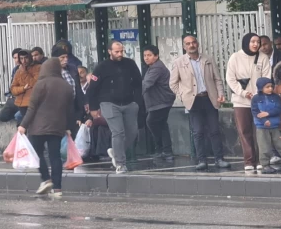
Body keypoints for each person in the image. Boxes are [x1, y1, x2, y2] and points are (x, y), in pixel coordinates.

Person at [17, 52, 77, 199]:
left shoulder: (41, 84)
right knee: (55, 156)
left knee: (37, 153)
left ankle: (46, 179)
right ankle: (57, 189)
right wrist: (69, 127)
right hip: (58, 127)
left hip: (38, 127)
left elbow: (32, 107)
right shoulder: (66, 86)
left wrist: (23, 125)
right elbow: (70, 110)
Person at [170, 34, 229, 171]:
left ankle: (219, 159)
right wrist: (182, 96)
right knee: (198, 131)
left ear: (197, 44)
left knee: (214, 130)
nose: (191, 45)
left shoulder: (208, 59)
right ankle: (201, 160)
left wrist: (220, 94)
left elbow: (217, 79)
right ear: (184, 46)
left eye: (193, 42)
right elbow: (173, 84)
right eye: (188, 43)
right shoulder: (179, 62)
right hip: (193, 100)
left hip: (209, 97)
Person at [86, 41, 143, 173]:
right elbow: (92, 89)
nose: (119, 54)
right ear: (109, 51)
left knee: (132, 132)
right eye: (116, 51)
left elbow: (138, 84)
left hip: (129, 103)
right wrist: (93, 109)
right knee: (118, 132)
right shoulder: (102, 67)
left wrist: (137, 102)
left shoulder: (130, 64)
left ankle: (116, 150)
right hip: (109, 103)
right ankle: (120, 164)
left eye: (121, 51)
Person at [226, 33, 273, 172]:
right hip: (241, 102)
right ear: (246, 42)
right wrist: (243, 92)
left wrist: (260, 94)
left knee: (259, 131)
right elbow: (230, 79)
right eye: (252, 41)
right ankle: (249, 160)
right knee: (244, 131)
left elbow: (267, 77)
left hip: (259, 101)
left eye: (257, 42)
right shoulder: (235, 57)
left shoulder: (263, 58)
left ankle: (260, 159)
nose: (255, 44)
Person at [139, 45, 175, 163]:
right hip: (158, 101)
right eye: (145, 55)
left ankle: (161, 149)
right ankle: (166, 151)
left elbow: (147, 83)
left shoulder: (157, 68)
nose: (146, 58)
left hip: (161, 101)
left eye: (149, 55)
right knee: (161, 124)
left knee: (151, 122)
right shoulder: (152, 67)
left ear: (156, 56)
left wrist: (134, 94)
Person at [250, 77, 281, 174]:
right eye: (267, 87)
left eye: (271, 86)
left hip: (274, 125)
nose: (270, 89)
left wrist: (268, 113)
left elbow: (279, 109)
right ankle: (265, 165)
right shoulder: (256, 98)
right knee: (264, 146)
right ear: (261, 88)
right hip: (262, 127)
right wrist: (264, 121)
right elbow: (255, 112)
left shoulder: (276, 97)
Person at [10, 49, 38, 124]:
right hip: (21, 103)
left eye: (26, 58)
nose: (24, 61)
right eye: (21, 58)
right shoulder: (19, 70)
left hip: (32, 102)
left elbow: (35, 84)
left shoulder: (37, 68)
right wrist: (23, 88)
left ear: (30, 57)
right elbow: (13, 89)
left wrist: (24, 72)